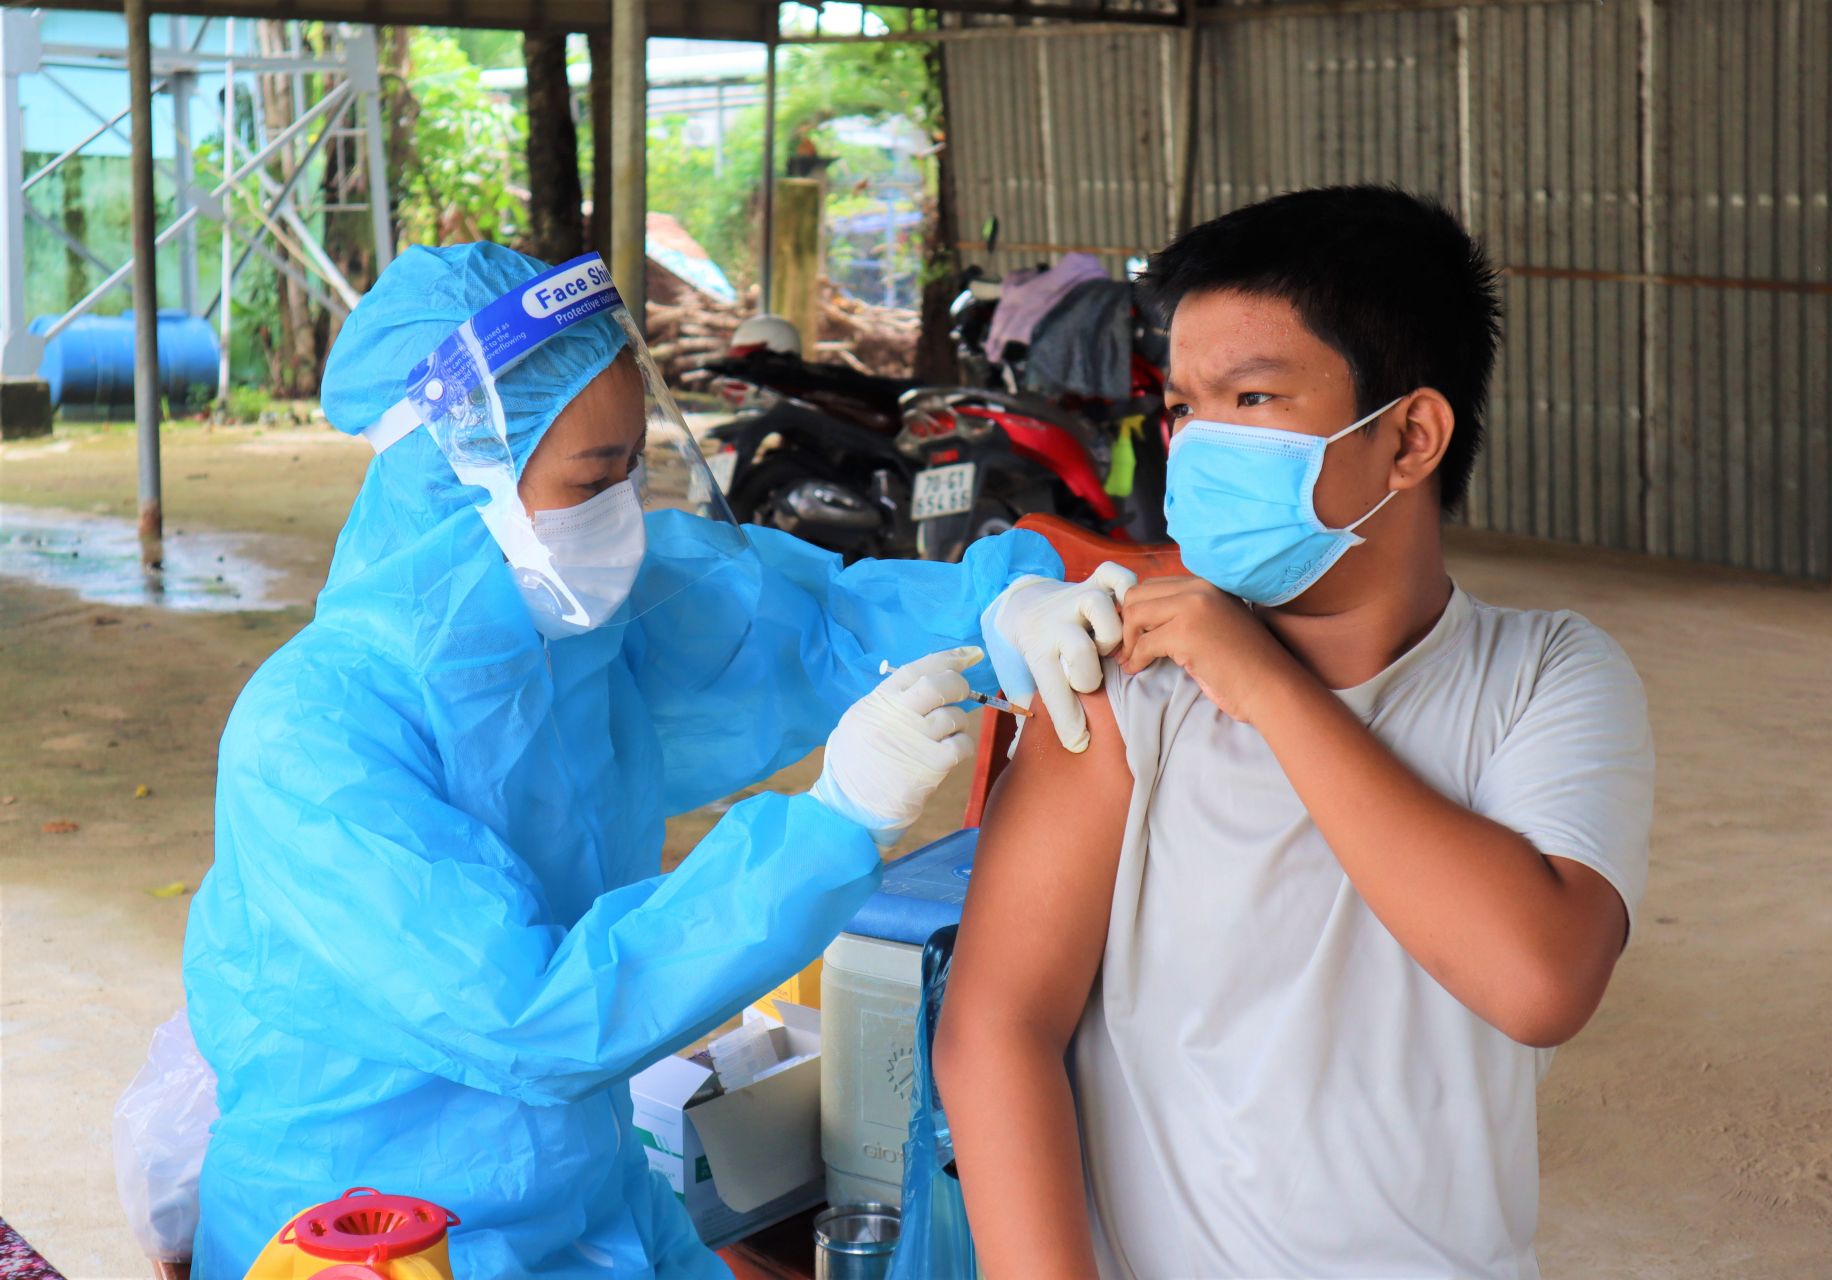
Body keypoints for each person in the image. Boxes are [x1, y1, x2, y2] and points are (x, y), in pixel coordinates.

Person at [181, 243, 1134, 1277]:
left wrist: (1001, 608)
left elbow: (810, 623)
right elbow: (533, 1018)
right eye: (593, 478)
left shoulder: (578, 633)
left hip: (589, 1189)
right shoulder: (314, 734)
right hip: (373, 1234)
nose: (626, 515)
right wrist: (833, 823)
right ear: (460, 479)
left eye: (634, 466)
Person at [936, 187, 1655, 1279]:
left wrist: (1269, 688)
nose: (1199, 443)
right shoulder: (1129, 682)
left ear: (1410, 437)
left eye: (1254, 396)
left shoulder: (1546, 674)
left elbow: (1539, 981)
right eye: (1185, 405)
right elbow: (996, 1029)